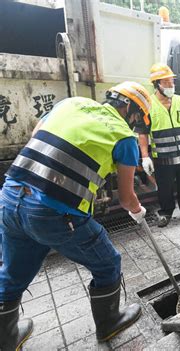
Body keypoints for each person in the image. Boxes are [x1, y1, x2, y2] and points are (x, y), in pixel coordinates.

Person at [0, 82, 153, 349]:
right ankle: (109, 324)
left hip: (10, 196)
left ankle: (6, 338)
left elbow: (37, 136)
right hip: (53, 212)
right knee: (107, 262)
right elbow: (127, 198)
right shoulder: (124, 137)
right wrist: (139, 212)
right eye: (137, 117)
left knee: (13, 271)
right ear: (129, 108)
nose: (136, 123)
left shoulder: (70, 103)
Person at [137, 64, 180, 228]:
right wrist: (145, 156)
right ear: (157, 84)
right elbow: (142, 133)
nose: (171, 85)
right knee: (164, 189)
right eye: (166, 82)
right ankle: (166, 213)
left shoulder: (179, 100)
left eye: (172, 82)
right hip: (163, 159)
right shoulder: (148, 105)